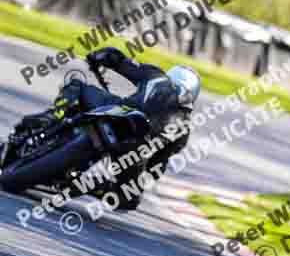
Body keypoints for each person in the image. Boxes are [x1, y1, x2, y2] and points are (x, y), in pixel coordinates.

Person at [13, 47, 201, 210]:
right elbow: (157, 165)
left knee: (77, 84)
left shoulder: (156, 76)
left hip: (118, 114)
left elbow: (121, 62)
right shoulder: (184, 128)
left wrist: (101, 56)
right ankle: (95, 183)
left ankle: (56, 115)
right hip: (130, 148)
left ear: (171, 78)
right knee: (129, 200)